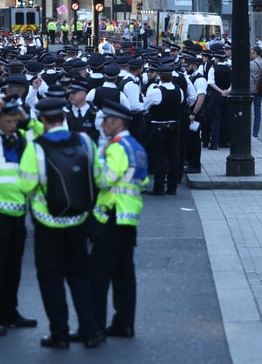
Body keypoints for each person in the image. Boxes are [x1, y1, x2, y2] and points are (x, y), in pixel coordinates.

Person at [19, 97, 103, 349]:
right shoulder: (86, 142)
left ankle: (60, 334)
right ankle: (90, 331)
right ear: (64, 118)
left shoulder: (35, 148)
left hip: (48, 225)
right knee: (80, 277)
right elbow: (98, 177)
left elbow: (25, 185)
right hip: (80, 221)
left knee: (51, 280)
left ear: (42, 120)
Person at [0, 96, 38, 335]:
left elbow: (41, 134)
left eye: (15, 121)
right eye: (8, 121)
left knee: (13, 268)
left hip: (18, 212)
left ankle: (9, 313)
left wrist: (27, 119)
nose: (13, 124)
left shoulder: (20, 139)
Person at [90, 101, 148, 339]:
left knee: (98, 274)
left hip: (110, 215)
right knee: (124, 274)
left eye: (105, 120)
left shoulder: (116, 148)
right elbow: (141, 182)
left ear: (117, 122)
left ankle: (94, 327)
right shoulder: (136, 147)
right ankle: (124, 323)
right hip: (128, 217)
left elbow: (105, 180)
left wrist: (97, 160)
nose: (102, 124)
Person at [143, 64, 184, 195]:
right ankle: (172, 187)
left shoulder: (157, 91)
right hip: (174, 126)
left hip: (158, 126)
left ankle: (159, 187)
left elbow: (145, 107)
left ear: (160, 76)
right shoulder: (179, 90)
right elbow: (182, 102)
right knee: (173, 156)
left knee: (159, 157)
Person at [249, 46, 262, 138]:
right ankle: (255, 133)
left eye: (251, 53)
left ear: (256, 53)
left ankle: (247, 131)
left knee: (247, 112)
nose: (251, 54)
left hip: (251, 89)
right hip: (260, 89)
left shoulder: (251, 64)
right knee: (257, 112)